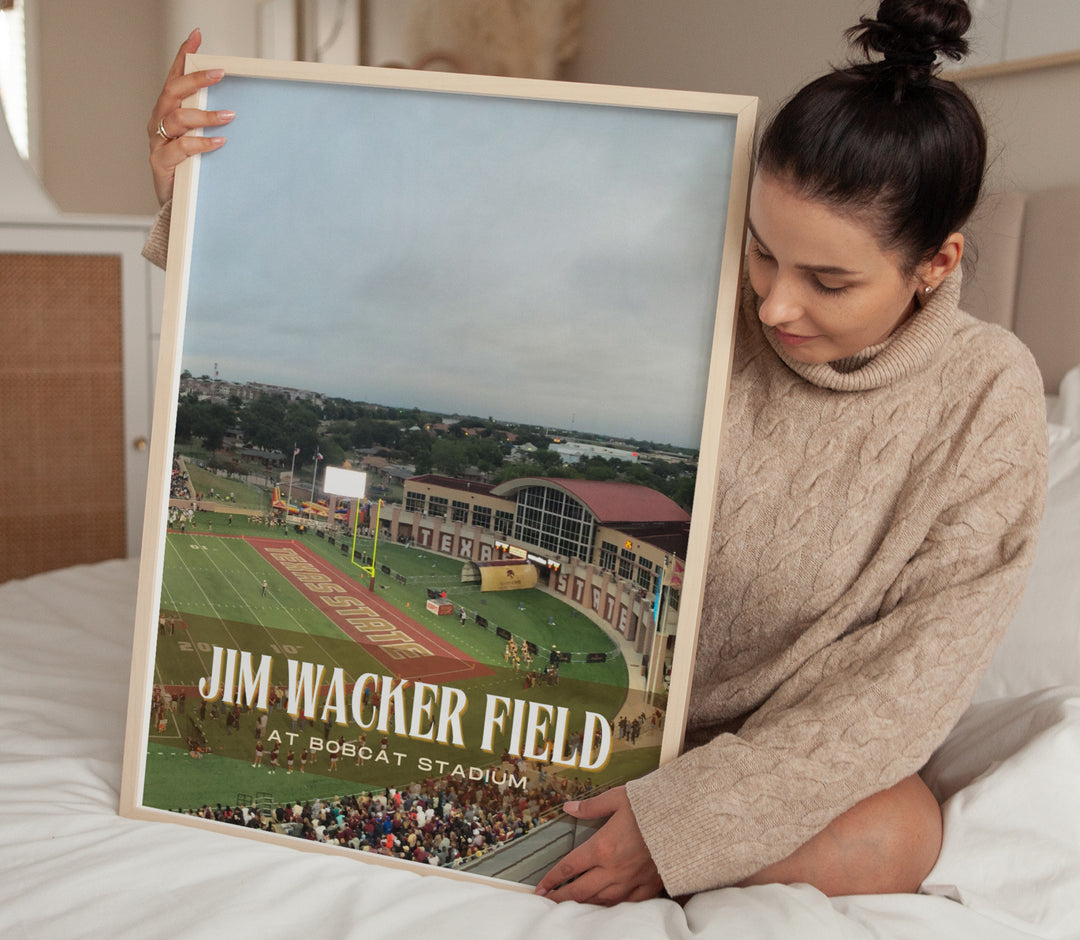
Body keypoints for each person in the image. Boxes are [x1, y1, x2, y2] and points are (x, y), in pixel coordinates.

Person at [143, 0, 1046, 905]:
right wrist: (201, 206)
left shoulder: (986, 398)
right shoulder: (703, 299)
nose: (773, 305)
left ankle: (606, 845)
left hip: (774, 759)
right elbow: (465, 287)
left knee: (902, 834)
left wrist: (687, 824)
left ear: (936, 263)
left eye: (829, 280)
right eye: (764, 254)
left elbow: (904, 690)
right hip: (598, 731)